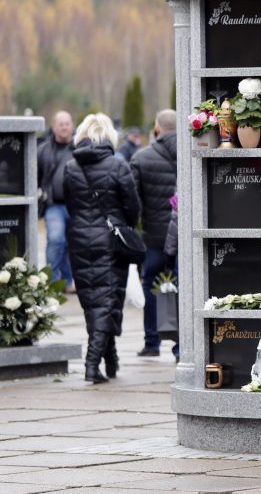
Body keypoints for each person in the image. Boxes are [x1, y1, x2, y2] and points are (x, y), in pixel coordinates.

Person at [63, 113, 140, 383]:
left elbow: (69, 203)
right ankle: (91, 365)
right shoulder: (118, 165)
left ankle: (112, 361)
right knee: (107, 301)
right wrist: (123, 225)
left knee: (94, 302)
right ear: (109, 136)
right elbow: (133, 206)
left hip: (79, 240)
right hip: (110, 240)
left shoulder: (71, 167)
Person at [130, 109, 179, 361]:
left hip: (154, 237)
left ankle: (151, 342)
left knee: (150, 286)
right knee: (183, 287)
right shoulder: (191, 152)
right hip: (182, 236)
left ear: (157, 129)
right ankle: (182, 347)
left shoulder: (141, 158)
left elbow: (134, 203)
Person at [37, 111, 76, 293]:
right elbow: (34, 176)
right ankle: (52, 282)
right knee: (56, 239)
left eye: (67, 123)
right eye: (61, 124)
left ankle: (67, 282)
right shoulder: (43, 150)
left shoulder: (80, 148)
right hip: (53, 205)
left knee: (70, 243)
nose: (64, 127)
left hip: (76, 205)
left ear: (72, 126)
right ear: (53, 126)